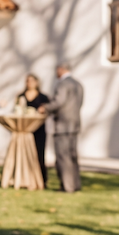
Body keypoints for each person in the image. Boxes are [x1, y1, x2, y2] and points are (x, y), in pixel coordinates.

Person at [43, 62, 84, 192]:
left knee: (63, 156)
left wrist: (45, 108)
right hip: (74, 125)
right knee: (72, 156)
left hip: (62, 125)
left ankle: (67, 186)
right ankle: (75, 184)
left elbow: (59, 102)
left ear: (61, 69)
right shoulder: (78, 84)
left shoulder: (63, 84)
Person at [14, 73, 52, 173]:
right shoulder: (20, 96)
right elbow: (16, 110)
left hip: (39, 129)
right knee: (23, 153)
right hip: (24, 129)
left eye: (31, 81)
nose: (29, 83)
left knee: (39, 153)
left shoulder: (43, 97)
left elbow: (48, 112)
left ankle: (40, 179)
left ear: (36, 82)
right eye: (27, 81)